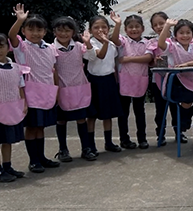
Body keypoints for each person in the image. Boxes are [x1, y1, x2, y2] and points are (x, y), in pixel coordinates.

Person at [8, 4, 61, 173]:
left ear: (45, 32)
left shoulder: (50, 48)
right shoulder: (22, 47)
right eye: (31, 29)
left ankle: (42, 157)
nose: (35, 33)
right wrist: (19, 20)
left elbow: (53, 71)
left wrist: (56, 90)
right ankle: (34, 160)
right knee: (31, 127)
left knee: (41, 127)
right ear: (24, 31)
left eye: (39, 30)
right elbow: (11, 35)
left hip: (46, 92)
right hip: (30, 93)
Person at [51, 16, 97, 162]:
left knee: (81, 119)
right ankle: (63, 149)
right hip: (61, 89)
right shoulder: (51, 49)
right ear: (54, 32)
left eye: (67, 30)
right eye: (60, 30)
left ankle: (86, 148)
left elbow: (91, 57)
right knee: (61, 121)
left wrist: (88, 43)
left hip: (78, 87)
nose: (63, 34)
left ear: (73, 32)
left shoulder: (78, 46)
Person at [157, 19, 193, 129]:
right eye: (181, 33)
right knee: (187, 101)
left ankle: (187, 115)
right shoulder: (172, 46)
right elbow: (161, 43)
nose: (185, 35)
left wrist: (187, 64)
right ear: (176, 35)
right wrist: (167, 25)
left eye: (188, 33)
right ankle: (183, 120)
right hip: (176, 81)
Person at [111, 13, 153, 150]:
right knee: (124, 112)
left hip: (140, 81)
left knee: (139, 111)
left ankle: (142, 138)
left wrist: (128, 59)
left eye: (137, 27)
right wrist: (117, 24)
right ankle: (124, 139)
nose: (134, 30)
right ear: (125, 28)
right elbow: (114, 38)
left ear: (143, 28)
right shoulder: (123, 41)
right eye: (130, 27)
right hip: (124, 81)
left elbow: (148, 58)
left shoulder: (147, 42)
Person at [85, 14, 124, 155]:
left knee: (108, 114)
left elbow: (112, 61)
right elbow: (100, 55)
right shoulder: (89, 43)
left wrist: (118, 24)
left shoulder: (111, 42)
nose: (100, 30)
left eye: (104, 27)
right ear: (90, 29)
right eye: (96, 27)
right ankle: (91, 144)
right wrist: (105, 42)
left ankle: (109, 142)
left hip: (109, 80)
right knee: (92, 114)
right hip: (94, 81)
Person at [147, 11, 178, 146]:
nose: (159, 26)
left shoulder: (178, 38)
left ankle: (179, 133)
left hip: (176, 79)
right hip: (158, 81)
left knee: (176, 108)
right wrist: (155, 61)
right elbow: (149, 60)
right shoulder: (152, 42)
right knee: (160, 110)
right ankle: (160, 134)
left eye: (162, 23)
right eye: (156, 25)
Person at [0, 33, 28, 182]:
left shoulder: (15, 67)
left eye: (1, 46)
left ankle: (7, 166)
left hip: (11, 109)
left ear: (8, 48)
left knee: (7, 140)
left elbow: (20, 86)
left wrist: (23, 103)